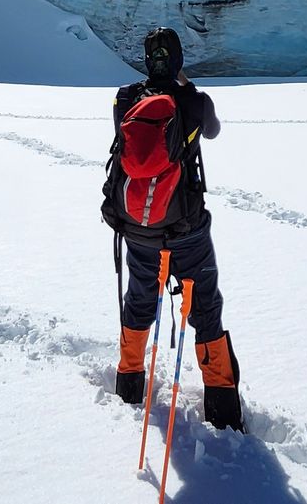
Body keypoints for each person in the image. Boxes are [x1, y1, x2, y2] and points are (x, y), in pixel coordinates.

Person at [101, 27, 243, 432]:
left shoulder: (125, 99)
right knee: (205, 309)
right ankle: (222, 406)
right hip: (187, 230)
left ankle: (129, 382)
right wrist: (187, 85)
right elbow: (212, 130)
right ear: (178, 61)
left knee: (140, 301)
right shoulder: (195, 103)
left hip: (139, 228)